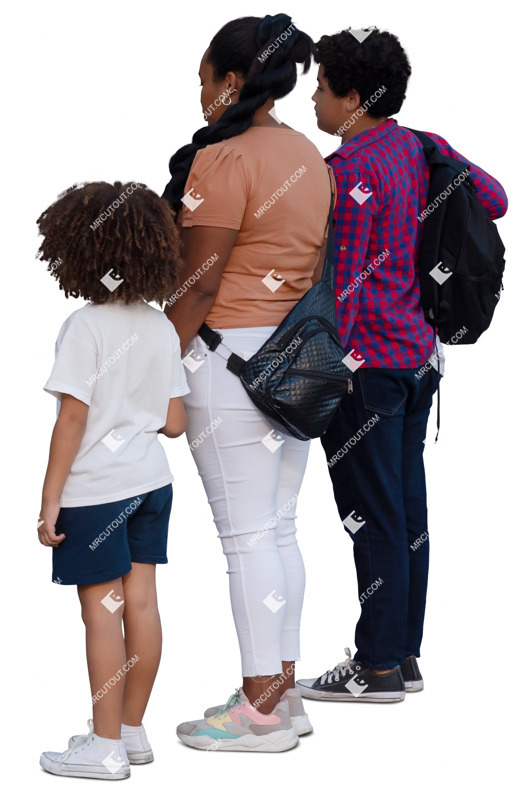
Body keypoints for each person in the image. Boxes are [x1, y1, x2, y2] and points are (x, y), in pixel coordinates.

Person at [297, 28, 508, 702]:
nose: (314, 97)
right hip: (420, 359)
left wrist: (327, 371)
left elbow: (346, 290)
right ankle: (404, 650)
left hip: (370, 370)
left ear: (353, 97)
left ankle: (378, 665)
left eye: (323, 86)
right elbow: (496, 198)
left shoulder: (349, 170)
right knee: (407, 509)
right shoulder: (424, 145)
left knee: (373, 514)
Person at [162, 13, 334, 751]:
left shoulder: (223, 161)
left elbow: (197, 286)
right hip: (289, 359)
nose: (199, 94)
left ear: (233, 80)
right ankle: (281, 690)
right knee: (279, 528)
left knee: (245, 537)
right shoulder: (308, 154)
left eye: (204, 79)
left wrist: (153, 367)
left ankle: (258, 713)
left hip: (223, 358)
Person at [36, 181, 190, 778]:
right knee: (142, 606)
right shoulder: (158, 327)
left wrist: (50, 502)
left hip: (97, 491)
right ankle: (130, 731)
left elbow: (72, 418)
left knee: (101, 612)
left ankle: (102, 750)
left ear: (81, 250)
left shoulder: (86, 326)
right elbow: (175, 423)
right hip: (152, 483)